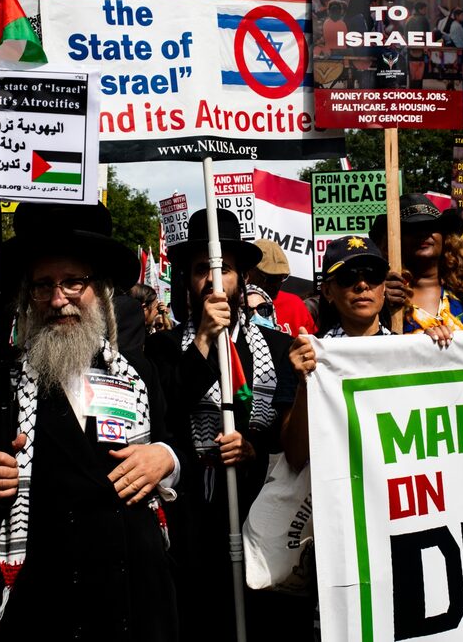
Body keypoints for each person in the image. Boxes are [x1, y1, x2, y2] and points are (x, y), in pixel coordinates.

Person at [0, 202, 180, 641]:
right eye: (43, 285)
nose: (58, 299)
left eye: (72, 282)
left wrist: (165, 458)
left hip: (136, 600)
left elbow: (174, 447)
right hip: (44, 606)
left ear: (99, 289)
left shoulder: (138, 373)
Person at [147, 209, 302, 641]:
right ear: (186, 279)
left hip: (258, 510)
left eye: (224, 270)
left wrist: (252, 449)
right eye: (202, 270)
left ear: (242, 278)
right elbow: (164, 415)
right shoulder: (162, 348)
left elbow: (289, 438)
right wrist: (201, 340)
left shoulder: (277, 347)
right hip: (191, 518)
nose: (213, 281)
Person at [284, 235, 391, 470]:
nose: (362, 285)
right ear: (327, 291)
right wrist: (304, 384)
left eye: (373, 275)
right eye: (348, 277)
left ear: (383, 288)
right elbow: (295, 457)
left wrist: (439, 350)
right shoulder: (304, 356)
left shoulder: (407, 350)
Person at [370, 193, 463, 343]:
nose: (422, 233)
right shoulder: (382, 295)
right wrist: (377, 303)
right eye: (412, 228)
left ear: (445, 238)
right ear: (394, 241)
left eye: (431, 226)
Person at [247, 239, 317, 336]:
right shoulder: (236, 303)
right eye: (269, 278)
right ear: (249, 272)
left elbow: (314, 343)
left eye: (282, 277)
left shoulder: (295, 305)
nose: (276, 284)